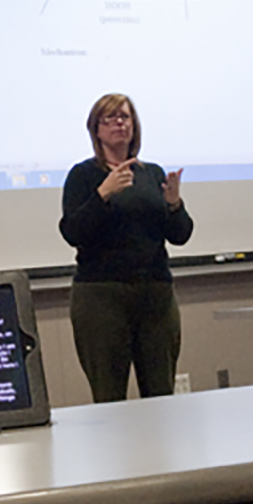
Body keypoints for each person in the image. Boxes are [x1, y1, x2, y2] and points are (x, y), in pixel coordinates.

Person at [58, 94, 194, 403]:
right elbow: (72, 232)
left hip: (155, 296)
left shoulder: (152, 174)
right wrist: (103, 194)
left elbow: (180, 235)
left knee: (161, 395)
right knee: (108, 396)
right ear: (96, 129)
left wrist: (174, 205)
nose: (119, 123)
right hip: (101, 297)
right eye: (110, 118)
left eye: (125, 117)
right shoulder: (84, 175)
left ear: (135, 126)